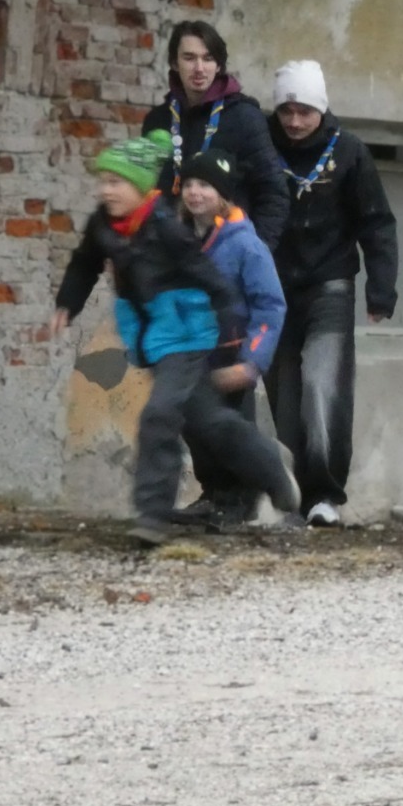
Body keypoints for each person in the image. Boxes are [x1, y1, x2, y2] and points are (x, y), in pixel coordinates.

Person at [49, 132, 299, 546]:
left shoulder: (173, 228)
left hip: (194, 337)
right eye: (103, 181)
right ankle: (268, 467)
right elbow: (85, 262)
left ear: (140, 186)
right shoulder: (110, 223)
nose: (106, 190)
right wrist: (67, 304)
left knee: (160, 416)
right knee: (207, 423)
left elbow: (224, 286)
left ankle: (154, 516)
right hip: (160, 337)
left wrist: (246, 353)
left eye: (116, 182)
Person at [265, 60, 398, 528]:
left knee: (322, 385)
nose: (294, 121)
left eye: (304, 111)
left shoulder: (349, 152)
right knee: (283, 393)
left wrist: (381, 291)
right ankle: (291, 493)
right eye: (286, 111)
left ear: (321, 109)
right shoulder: (262, 146)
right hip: (273, 286)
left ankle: (324, 494)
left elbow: (376, 223)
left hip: (330, 283)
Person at [170, 150, 289, 530]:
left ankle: (242, 502)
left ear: (222, 194)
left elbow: (270, 305)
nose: (195, 192)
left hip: (231, 355)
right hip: (192, 353)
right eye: (189, 184)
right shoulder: (180, 239)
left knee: (231, 431)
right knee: (195, 427)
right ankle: (214, 495)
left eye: (205, 185)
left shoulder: (245, 245)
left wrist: (252, 362)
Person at [144, 21, 290, 248]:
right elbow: (146, 190)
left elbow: (273, 193)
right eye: (189, 58)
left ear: (219, 65)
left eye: (208, 58)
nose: (199, 68)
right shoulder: (158, 119)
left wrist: (254, 253)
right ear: (174, 63)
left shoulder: (244, 117)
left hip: (224, 252)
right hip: (168, 253)